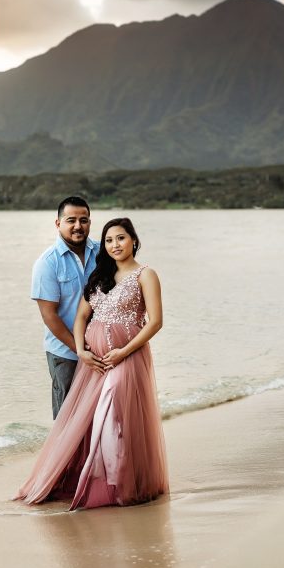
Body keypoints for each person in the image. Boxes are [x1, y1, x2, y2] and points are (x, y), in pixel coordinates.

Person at [16, 217, 169, 509]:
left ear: (133, 240)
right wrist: (82, 351)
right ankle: (98, 480)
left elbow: (156, 322)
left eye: (121, 238)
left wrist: (124, 352)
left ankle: (119, 485)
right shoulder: (100, 276)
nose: (115, 245)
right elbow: (80, 318)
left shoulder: (146, 275)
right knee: (91, 420)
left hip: (128, 357)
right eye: (109, 240)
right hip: (94, 362)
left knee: (111, 417)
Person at [31, 196, 100, 418]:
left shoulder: (103, 253)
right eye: (71, 220)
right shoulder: (47, 263)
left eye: (84, 220)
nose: (78, 226)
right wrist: (80, 350)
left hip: (102, 350)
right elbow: (49, 316)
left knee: (101, 414)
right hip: (64, 353)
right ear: (58, 223)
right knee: (67, 417)